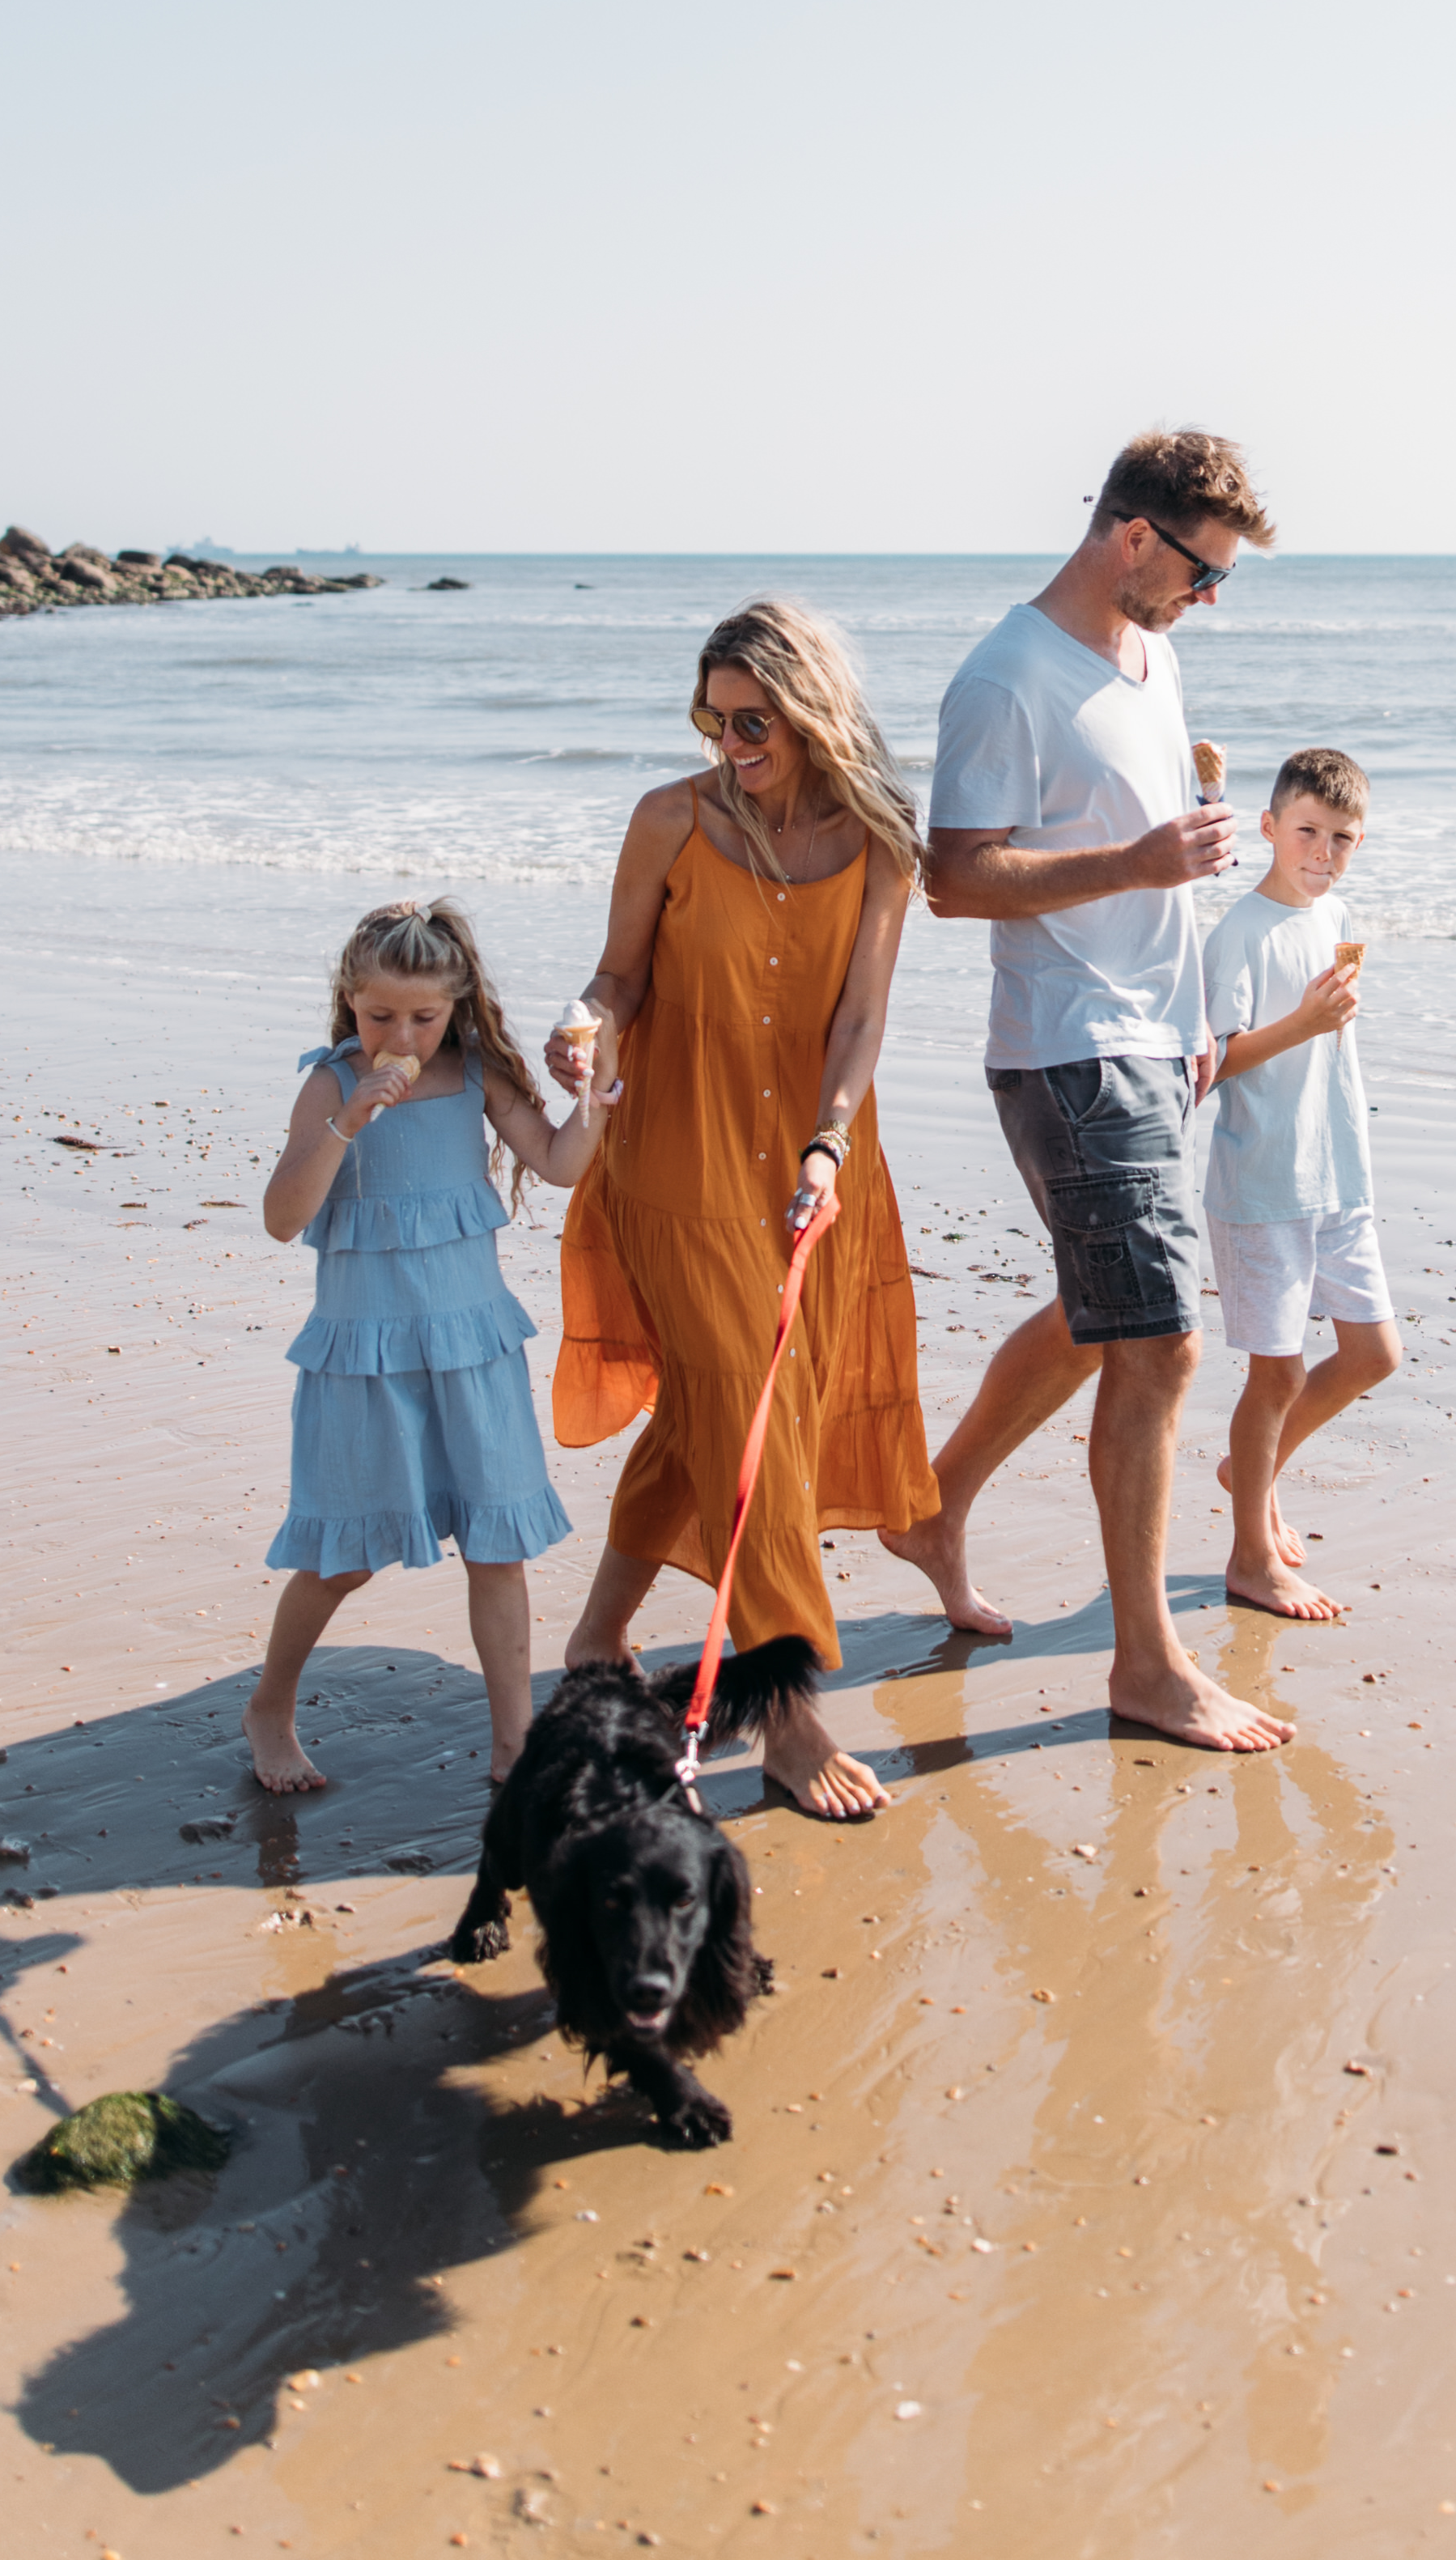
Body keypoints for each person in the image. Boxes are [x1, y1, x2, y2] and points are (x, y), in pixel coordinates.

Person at [891, 424, 1294, 1755]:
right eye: (1203, 571)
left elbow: (1135, 841)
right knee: (1162, 1340)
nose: (1208, 598)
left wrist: (1188, 1003)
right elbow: (954, 880)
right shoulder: (1004, 679)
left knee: (1098, 1311)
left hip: (1148, 1038)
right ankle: (1144, 1665)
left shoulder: (1151, 654)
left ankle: (934, 1508)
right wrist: (1134, 862)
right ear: (1134, 536)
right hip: (1068, 1044)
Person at [545, 600, 940, 1821]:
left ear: (810, 709)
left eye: (752, 721)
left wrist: (827, 1142)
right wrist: (585, 1028)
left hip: (814, 1164)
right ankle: (788, 1713)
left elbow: (863, 1017)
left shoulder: (881, 835)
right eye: (711, 721)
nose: (729, 744)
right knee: (743, 1421)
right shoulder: (673, 818)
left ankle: (596, 1635)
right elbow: (616, 975)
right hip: (676, 1155)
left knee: (730, 1406)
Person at [247, 898, 598, 1796]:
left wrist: (596, 1094)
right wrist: (347, 1122)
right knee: (342, 1556)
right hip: (365, 1361)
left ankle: (515, 1743)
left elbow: (557, 1164)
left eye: (422, 1016)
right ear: (349, 1002)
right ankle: (270, 1708)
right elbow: (283, 1218)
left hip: (472, 1349)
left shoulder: (477, 1075)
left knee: (497, 1544)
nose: (399, 1033)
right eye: (379, 1016)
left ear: (457, 1006)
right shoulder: (329, 1084)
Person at [1200, 746, 1399, 1624]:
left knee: (1373, 1353)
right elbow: (1213, 1063)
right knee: (1274, 1376)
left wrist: (1326, 1020)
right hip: (1263, 1180)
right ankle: (1249, 1553)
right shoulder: (1238, 932)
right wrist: (1305, 1020)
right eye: (1309, 831)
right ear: (1269, 827)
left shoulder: (1338, 915)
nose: (1323, 851)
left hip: (1340, 1172)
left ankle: (1252, 1470)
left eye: (1343, 837)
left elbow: (1331, 1040)